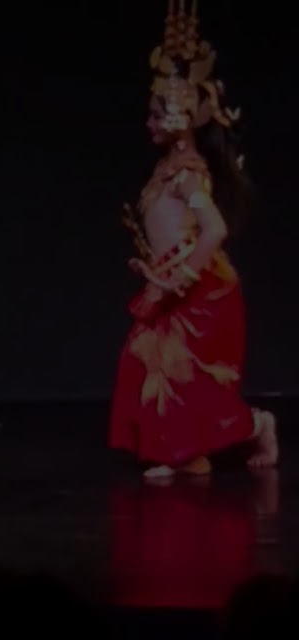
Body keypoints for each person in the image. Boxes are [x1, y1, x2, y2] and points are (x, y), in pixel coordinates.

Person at [108, 0, 277, 478]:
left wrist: (177, 279)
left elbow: (215, 230)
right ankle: (181, 451)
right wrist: (155, 273)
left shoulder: (187, 175)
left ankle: (258, 425)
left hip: (204, 286)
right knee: (147, 360)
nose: (149, 124)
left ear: (181, 120)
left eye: (157, 116)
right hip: (175, 280)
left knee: (186, 374)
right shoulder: (165, 170)